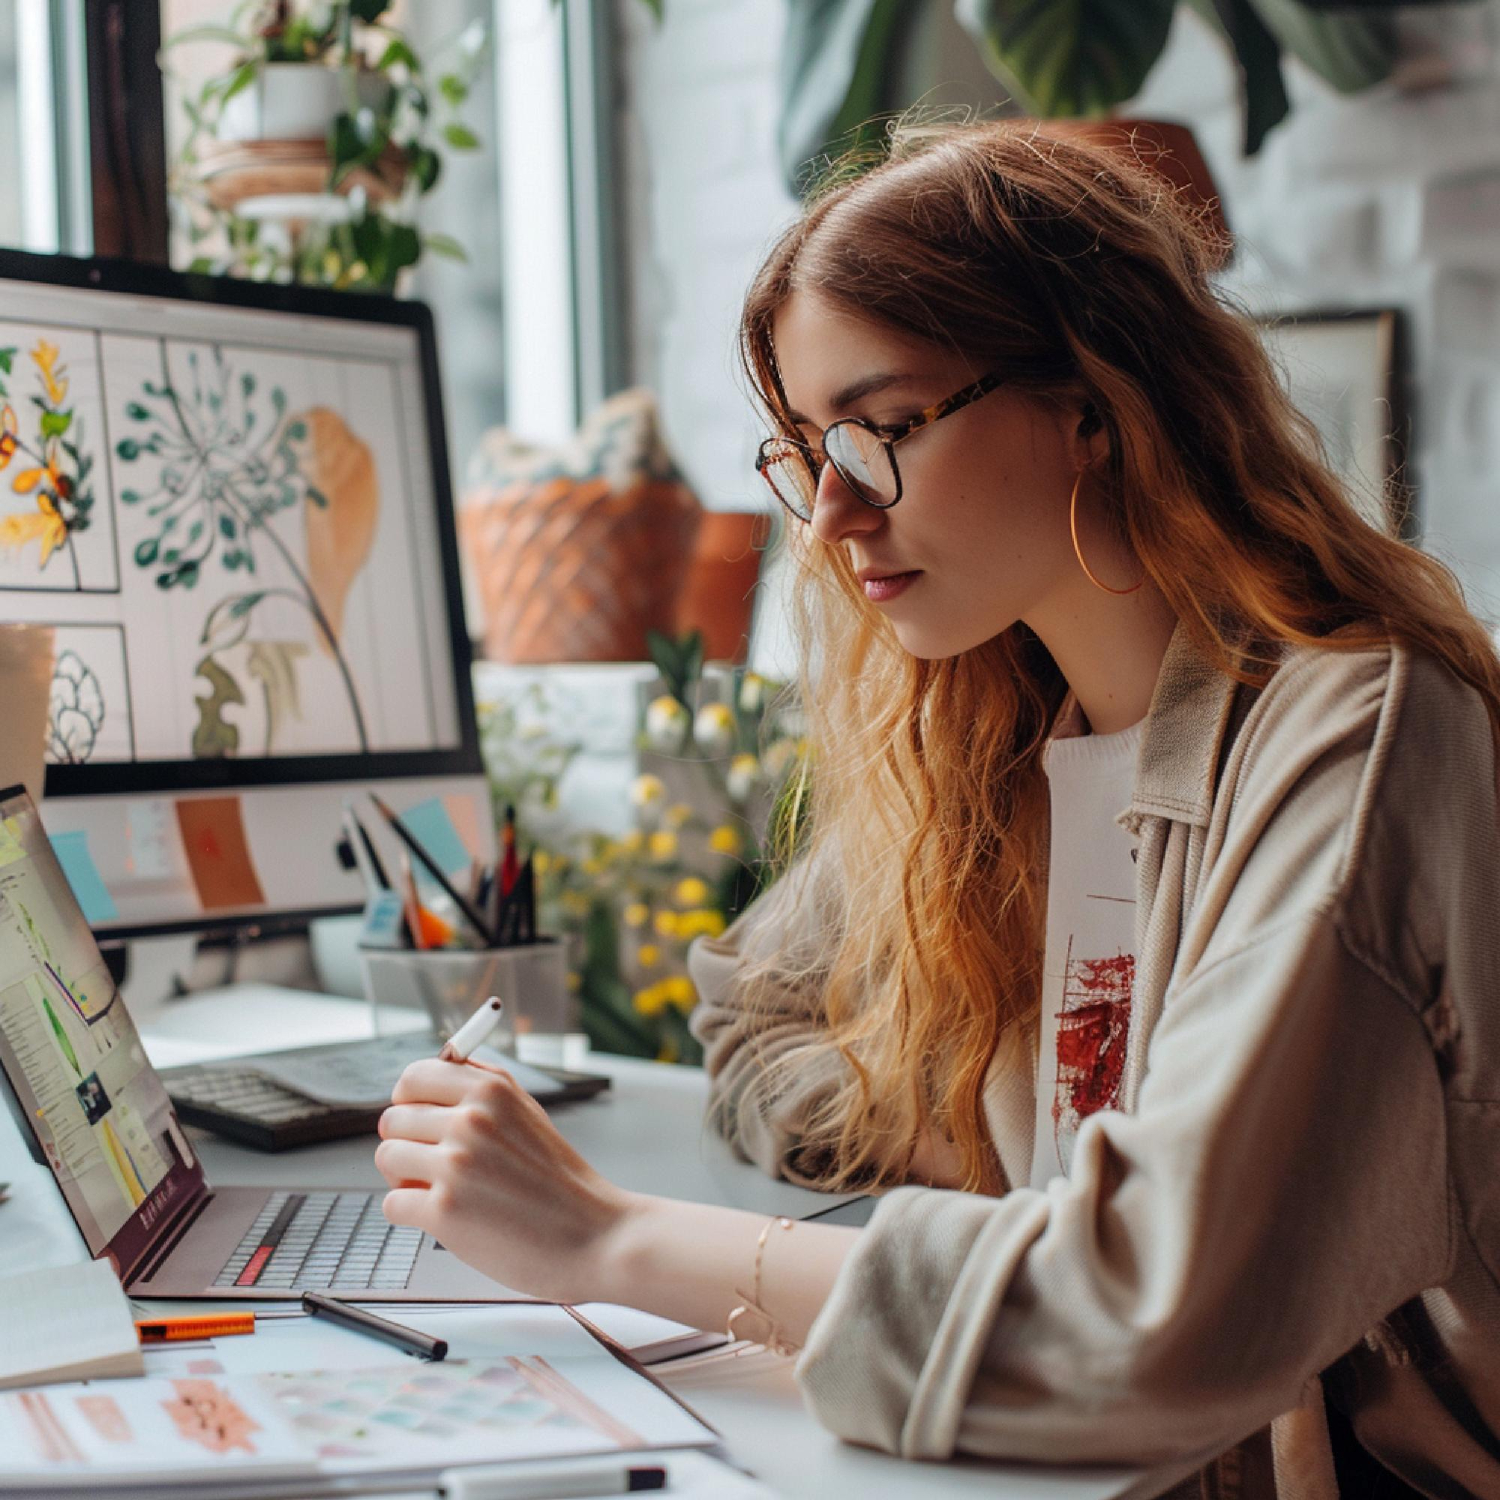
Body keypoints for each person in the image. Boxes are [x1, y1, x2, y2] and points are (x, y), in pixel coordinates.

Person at [376, 121, 1500, 1498]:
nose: (832, 513)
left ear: (1093, 404)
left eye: (884, 428)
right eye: (805, 449)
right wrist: (972, 1111)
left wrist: (602, 1239)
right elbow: (750, 1015)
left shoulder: (1358, 737)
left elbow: (1147, 1323)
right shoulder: (991, 731)